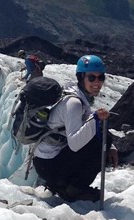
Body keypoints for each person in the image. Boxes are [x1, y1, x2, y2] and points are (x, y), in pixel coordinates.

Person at [32, 55, 119, 202]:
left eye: (100, 78)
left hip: (47, 161)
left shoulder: (76, 96)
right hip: (49, 166)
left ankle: (61, 185)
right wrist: (97, 120)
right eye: (91, 78)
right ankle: (73, 190)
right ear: (81, 77)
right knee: (100, 143)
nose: (97, 82)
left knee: (103, 139)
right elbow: (75, 144)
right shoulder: (74, 103)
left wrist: (111, 146)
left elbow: (85, 123)